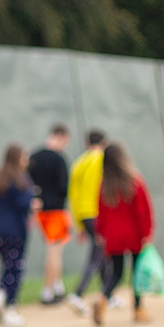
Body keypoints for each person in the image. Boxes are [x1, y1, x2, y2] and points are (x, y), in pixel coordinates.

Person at [93, 141, 155, 326]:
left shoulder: (105, 186)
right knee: (137, 273)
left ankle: (103, 298)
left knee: (116, 273)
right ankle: (138, 309)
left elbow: (100, 214)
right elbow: (143, 211)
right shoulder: (134, 181)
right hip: (134, 235)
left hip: (113, 237)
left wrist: (101, 234)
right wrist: (147, 232)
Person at [0, 144, 36, 327]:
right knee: (15, 268)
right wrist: (33, 203)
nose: (26, 160)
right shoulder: (21, 180)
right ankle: (8, 305)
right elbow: (24, 204)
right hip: (15, 231)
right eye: (24, 157)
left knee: (8, 267)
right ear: (17, 158)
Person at [28, 124, 72, 304]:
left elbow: (26, 183)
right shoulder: (59, 159)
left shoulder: (33, 157)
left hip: (39, 211)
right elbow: (64, 187)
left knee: (53, 247)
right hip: (55, 210)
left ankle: (57, 285)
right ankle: (48, 290)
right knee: (54, 250)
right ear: (61, 137)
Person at [66, 129, 107, 316]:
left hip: (83, 214)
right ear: (104, 142)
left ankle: (108, 292)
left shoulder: (78, 163)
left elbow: (73, 195)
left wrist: (78, 225)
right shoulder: (100, 158)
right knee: (97, 253)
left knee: (101, 251)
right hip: (97, 212)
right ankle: (78, 292)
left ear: (86, 143)